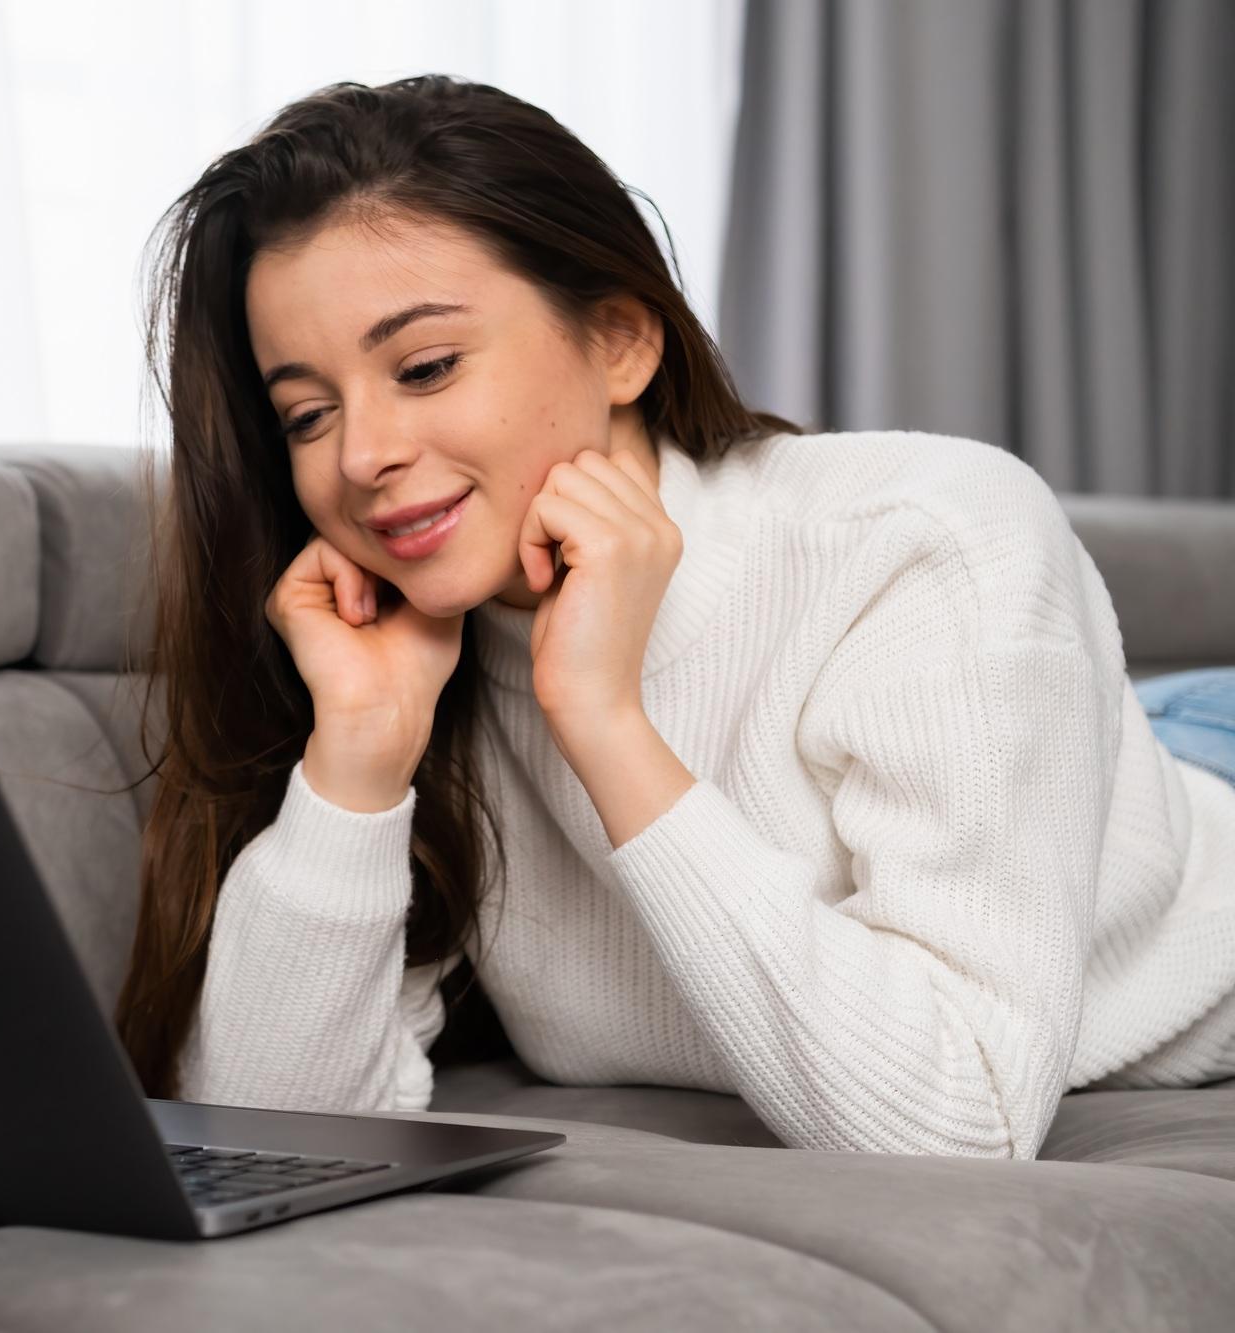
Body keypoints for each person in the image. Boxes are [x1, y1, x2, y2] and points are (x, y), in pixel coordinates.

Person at [108, 74, 1235, 1160]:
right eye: (305, 414)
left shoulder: (924, 535)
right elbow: (268, 1136)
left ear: (619, 342)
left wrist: (604, 717)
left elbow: (958, 1123)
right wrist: (355, 758)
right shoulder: (397, 659)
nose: (361, 456)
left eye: (426, 365)